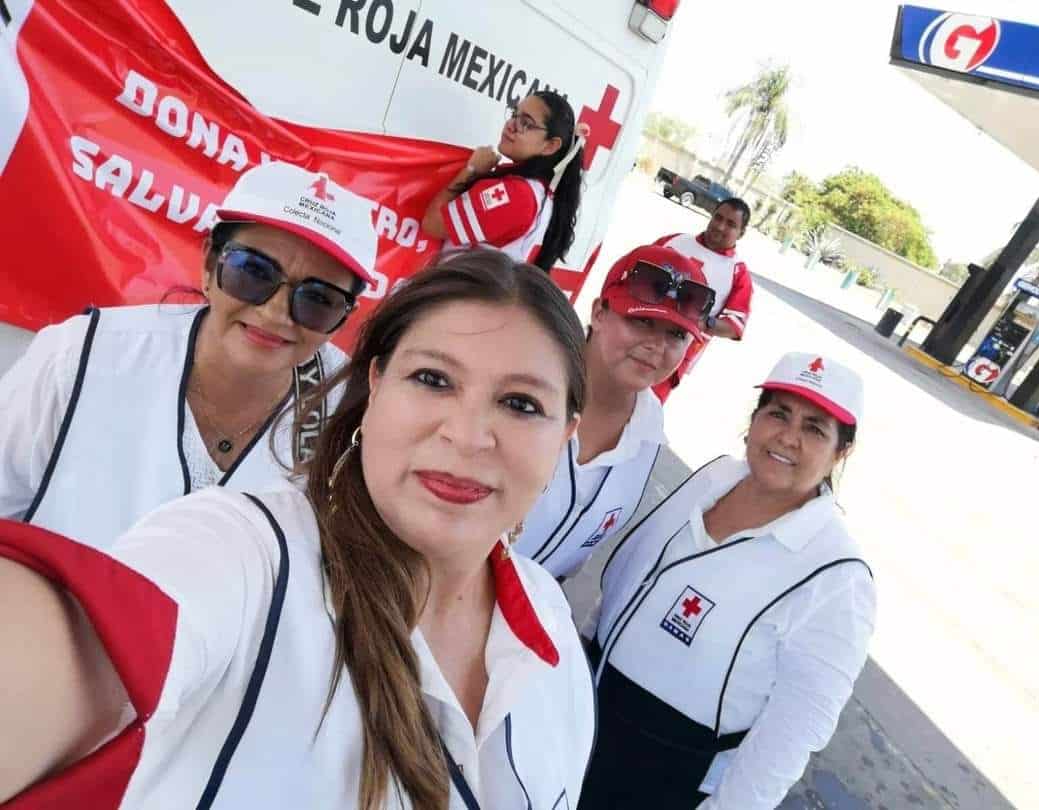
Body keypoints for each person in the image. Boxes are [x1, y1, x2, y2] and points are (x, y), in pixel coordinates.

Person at [0, 250, 596, 809]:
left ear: (566, 433)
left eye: (520, 405)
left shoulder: (551, 628)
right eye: (433, 380)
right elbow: (96, 631)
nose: (467, 436)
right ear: (377, 384)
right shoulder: (248, 551)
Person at [0, 161, 377, 551]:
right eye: (254, 272)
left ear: (342, 317)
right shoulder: (83, 355)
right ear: (210, 264)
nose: (275, 313)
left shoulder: (351, 415)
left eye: (318, 300)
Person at [579, 352, 876, 809]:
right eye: (778, 413)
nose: (788, 437)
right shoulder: (715, 477)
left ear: (841, 452)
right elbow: (630, 584)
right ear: (755, 420)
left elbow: (793, 733)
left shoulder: (837, 577)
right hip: (578, 716)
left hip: (663, 780)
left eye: (815, 429)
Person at [514, 244, 714, 579]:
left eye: (676, 334)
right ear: (599, 313)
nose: (656, 346)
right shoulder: (522, 384)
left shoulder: (649, 432)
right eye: (642, 321)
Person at [421, 91, 587, 270]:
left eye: (526, 123)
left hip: (457, 292)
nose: (510, 125)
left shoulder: (518, 195)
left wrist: (471, 170)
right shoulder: (541, 193)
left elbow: (433, 224)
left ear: (550, 145)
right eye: (515, 114)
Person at [652, 197, 755, 402]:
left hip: (677, 351)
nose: (720, 226)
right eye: (718, 217)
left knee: (643, 409)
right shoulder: (674, 241)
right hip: (640, 327)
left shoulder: (738, 272)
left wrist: (701, 321)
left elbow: (734, 327)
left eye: (731, 224)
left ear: (741, 233)